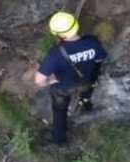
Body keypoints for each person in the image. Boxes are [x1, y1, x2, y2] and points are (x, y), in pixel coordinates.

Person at [34, 11, 108, 146]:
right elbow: (100, 59)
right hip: (87, 81)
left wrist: (52, 80)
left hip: (63, 88)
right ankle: (85, 102)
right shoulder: (92, 42)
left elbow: (39, 81)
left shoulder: (56, 54)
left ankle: (59, 140)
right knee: (87, 90)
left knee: (60, 111)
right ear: (76, 25)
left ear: (59, 34)